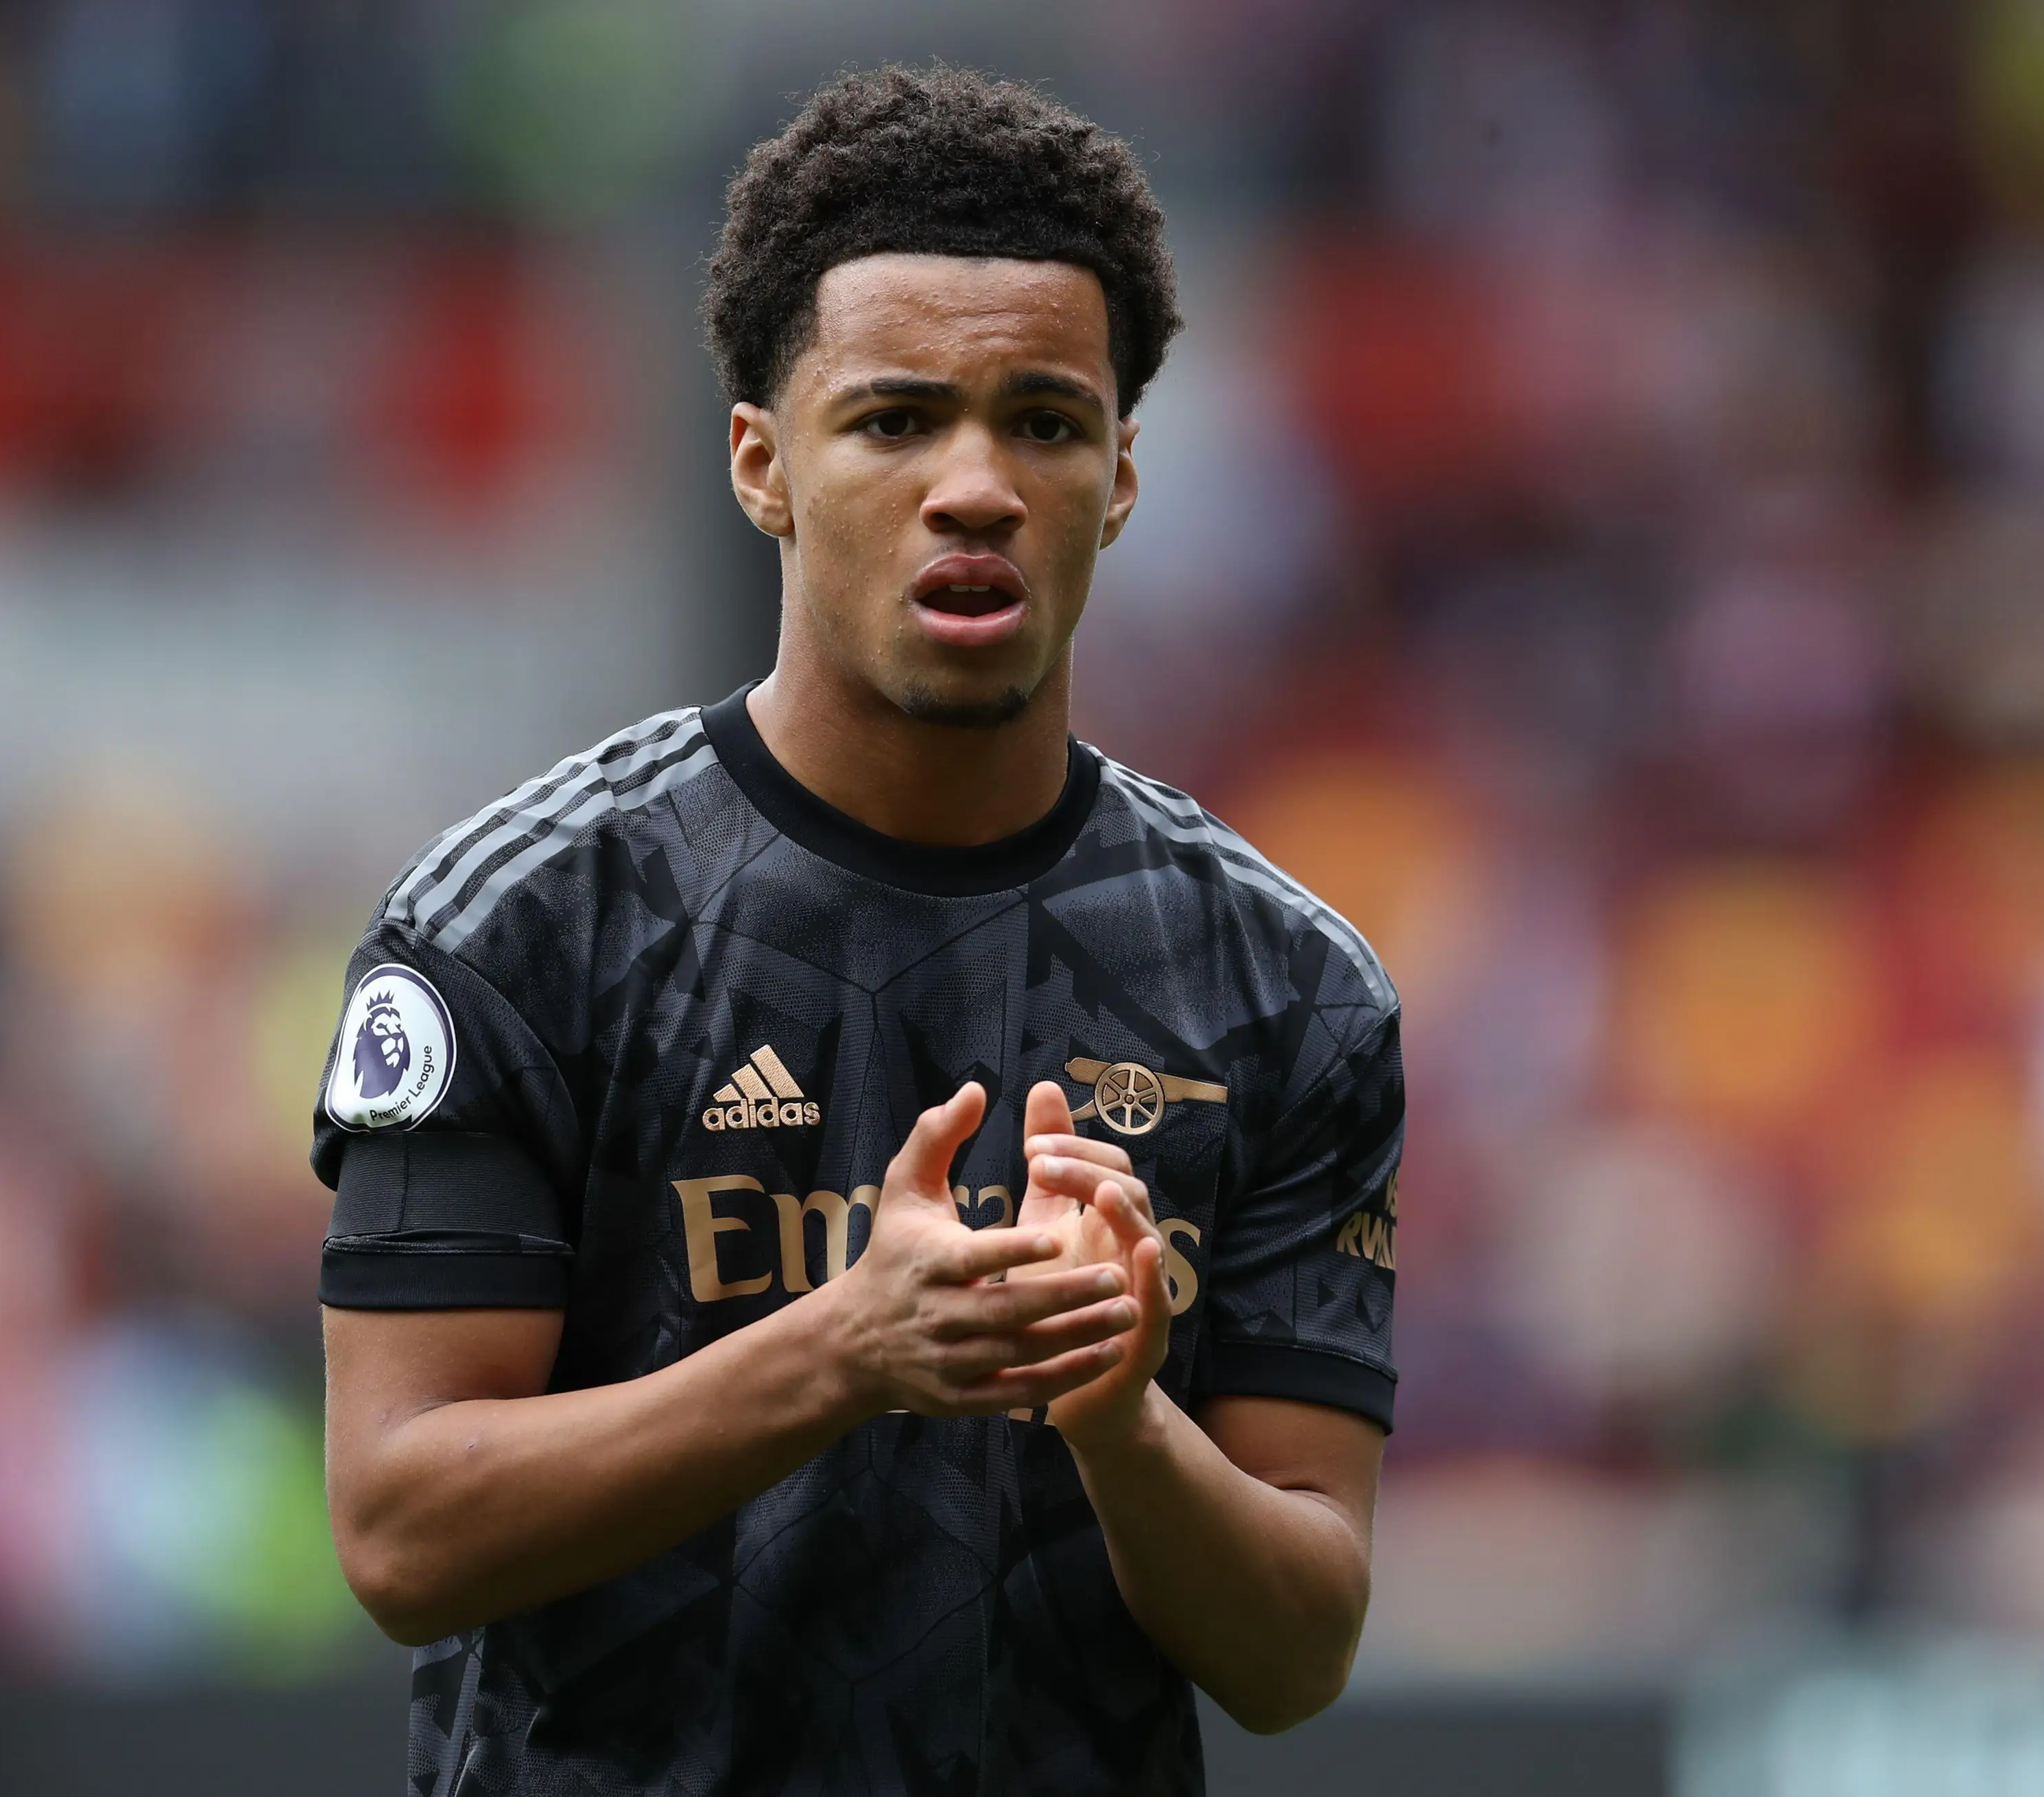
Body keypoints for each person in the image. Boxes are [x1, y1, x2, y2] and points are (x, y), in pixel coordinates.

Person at [315, 64, 1403, 1796]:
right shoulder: (518, 925)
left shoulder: (1285, 987)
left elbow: (1295, 1653)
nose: (975, 486)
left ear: (1121, 479)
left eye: (1045, 422)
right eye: (896, 420)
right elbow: (398, 1529)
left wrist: (1122, 1413)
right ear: (763, 464)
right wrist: (848, 1345)